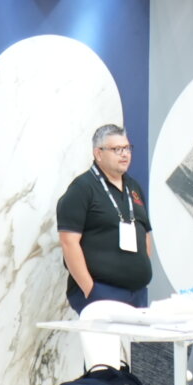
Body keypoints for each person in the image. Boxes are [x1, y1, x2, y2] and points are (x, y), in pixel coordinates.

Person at [57, 124, 153, 311]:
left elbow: (145, 233)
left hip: (137, 293)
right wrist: (90, 290)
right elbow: (69, 242)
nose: (125, 154)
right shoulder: (82, 188)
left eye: (127, 148)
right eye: (117, 149)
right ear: (98, 154)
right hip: (101, 293)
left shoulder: (133, 187)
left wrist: (140, 271)